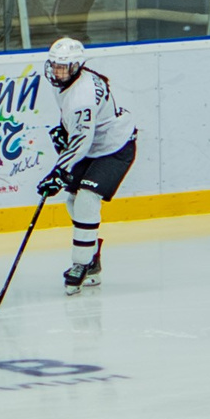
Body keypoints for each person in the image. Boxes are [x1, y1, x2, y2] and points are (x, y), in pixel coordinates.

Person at [36, 37, 138, 295]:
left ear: (77, 66)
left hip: (114, 147)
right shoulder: (72, 81)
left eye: (64, 66)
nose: (58, 72)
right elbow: (77, 126)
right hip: (95, 145)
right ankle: (92, 255)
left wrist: (58, 172)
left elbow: (82, 141)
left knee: (86, 198)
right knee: (72, 201)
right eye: (55, 65)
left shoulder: (81, 95)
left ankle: (81, 264)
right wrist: (63, 129)